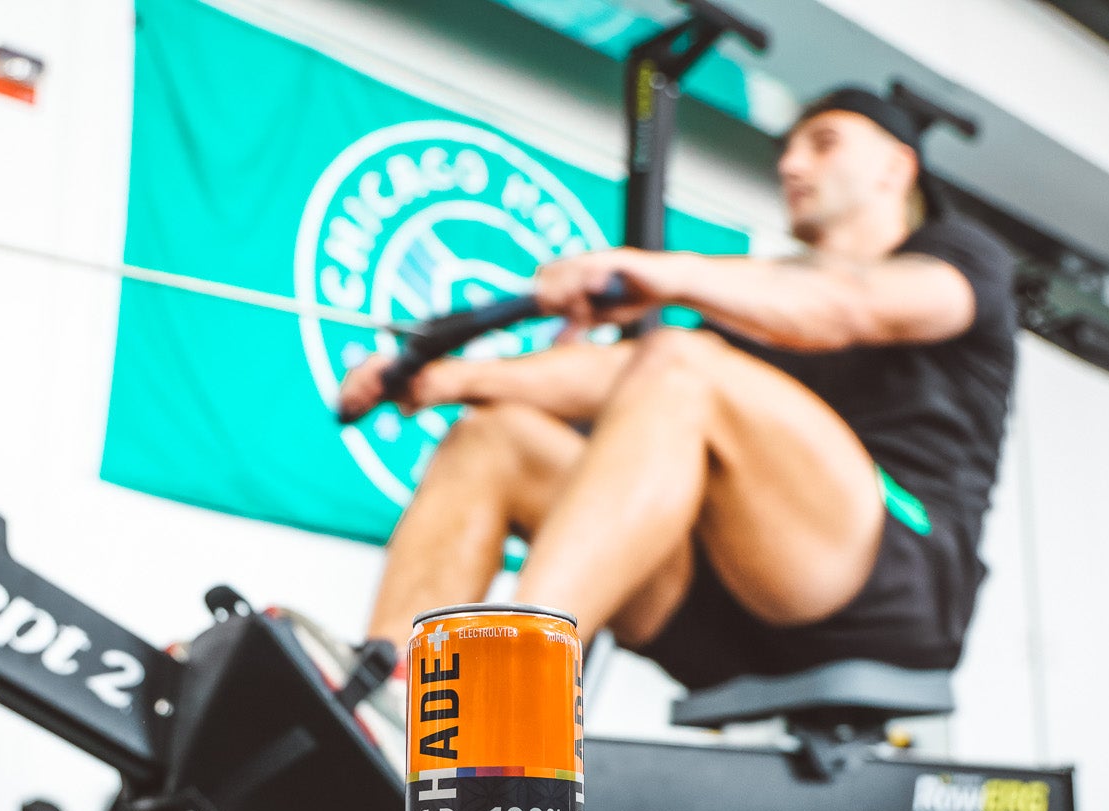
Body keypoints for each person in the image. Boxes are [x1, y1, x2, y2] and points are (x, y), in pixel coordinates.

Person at [332, 86, 1017, 750]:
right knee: (495, 434)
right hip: (722, 614)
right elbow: (615, 374)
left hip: (892, 586)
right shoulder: (755, 299)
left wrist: (665, 273)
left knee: (680, 364)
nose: (791, 165)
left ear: (896, 167)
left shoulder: (960, 258)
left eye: (824, 144)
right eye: (789, 150)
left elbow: (853, 308)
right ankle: (389, 702)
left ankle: (514, 690)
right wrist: (446, 379)